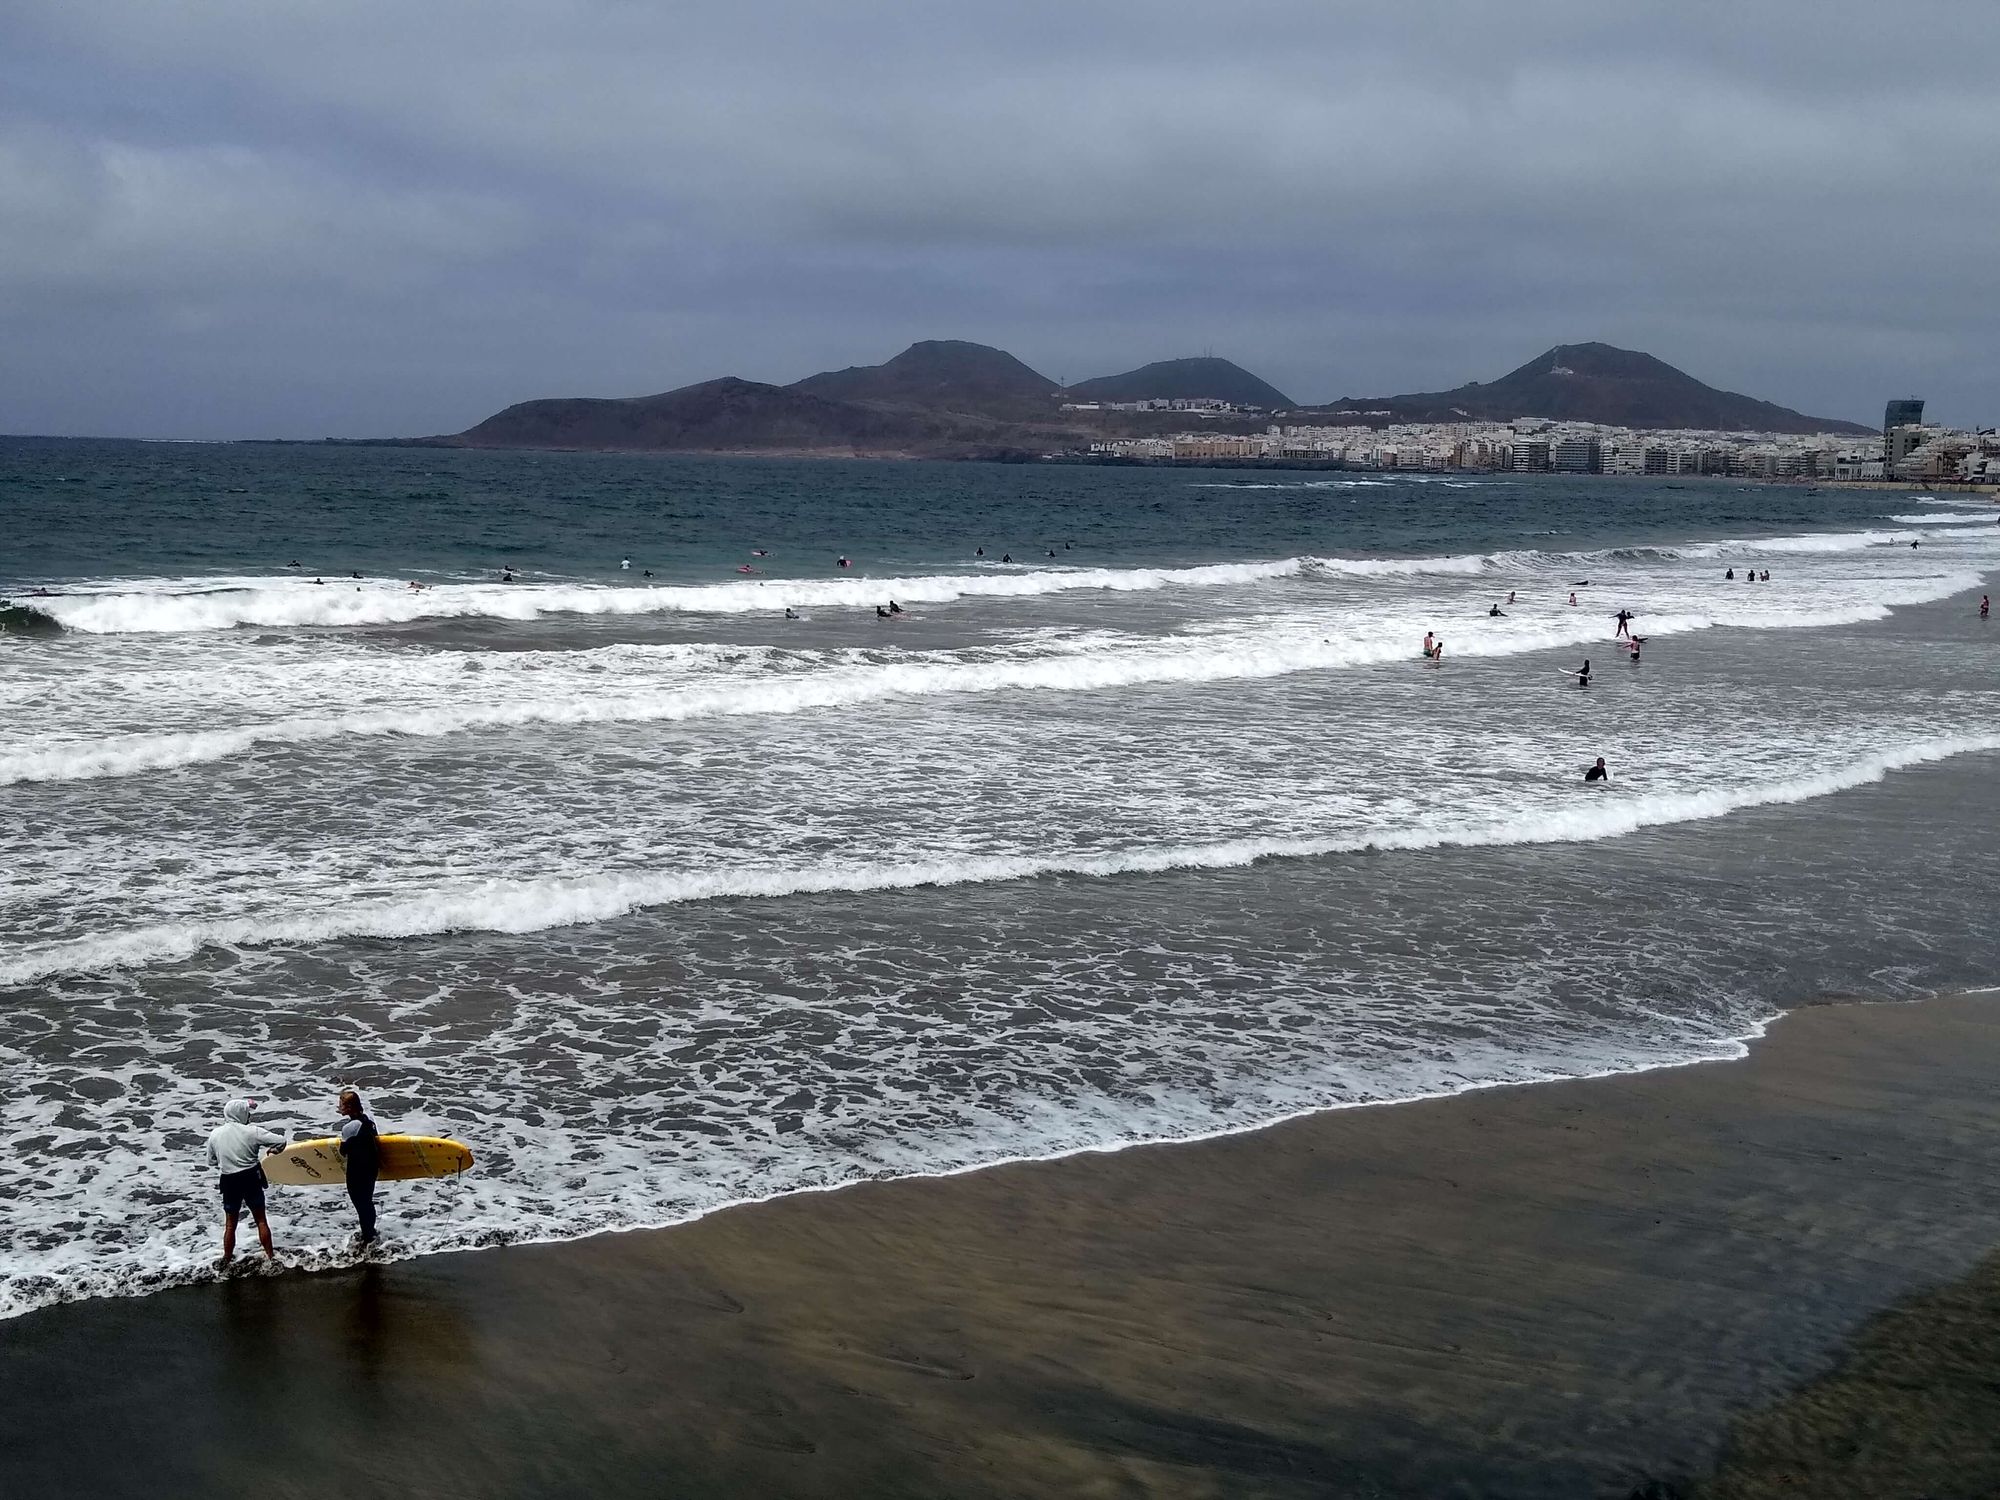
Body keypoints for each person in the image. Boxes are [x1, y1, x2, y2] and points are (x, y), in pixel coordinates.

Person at [205, 1098, 288, 1265]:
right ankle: (270, 1257)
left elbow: (211, 1162)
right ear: (241, 1114)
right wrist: (274, 1150)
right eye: (247, 1112)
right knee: (261, 1220)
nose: (249, 1116)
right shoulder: (252, 1132)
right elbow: (281, 1140)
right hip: (251, 1177)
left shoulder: (215, 1134)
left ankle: (227, 1259)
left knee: (230, 1225)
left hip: (229, 1180)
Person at [337, 1089, 381, 1247]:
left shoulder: (349, 1128)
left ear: (348, 1107)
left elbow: (343, 1152)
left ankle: (367, 1239)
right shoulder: (369, 1121)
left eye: (341, 1104)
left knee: (361, 1205)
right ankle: (371, 1233)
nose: (339, 1107)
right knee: (367, 1202)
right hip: (371, 1168)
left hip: (357, 1172)